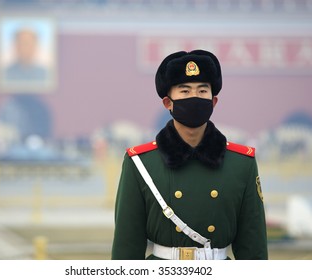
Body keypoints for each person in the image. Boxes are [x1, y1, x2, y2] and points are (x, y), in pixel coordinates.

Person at [111, 49, 268, 260]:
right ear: (168, 103)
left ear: (213, 102)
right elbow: (126, 247)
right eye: (184, 91)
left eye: (202, 91)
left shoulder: (241, 163)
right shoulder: (140, 163)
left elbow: (253, 247)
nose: (194, 98)